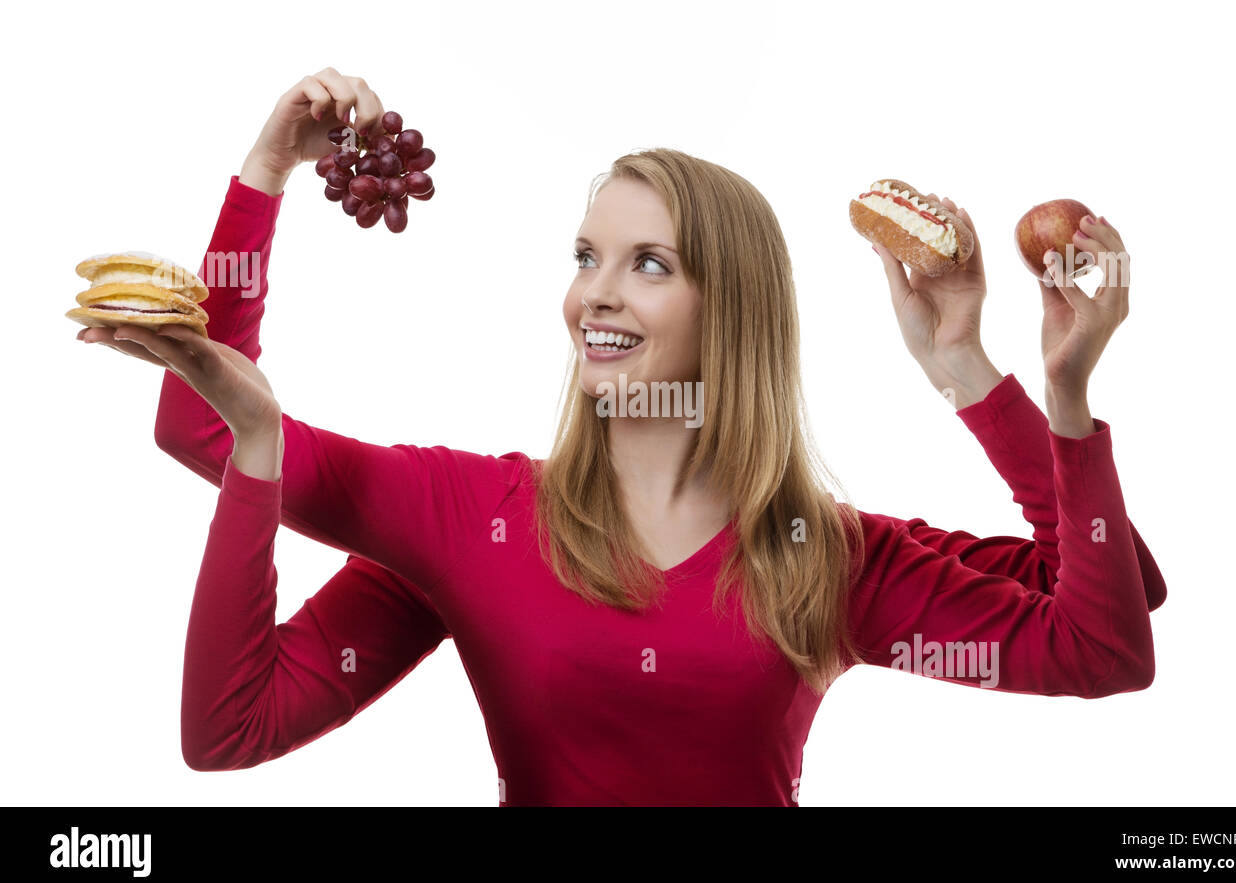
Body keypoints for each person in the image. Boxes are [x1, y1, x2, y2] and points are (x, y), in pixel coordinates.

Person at [77, 68, 1165, 806]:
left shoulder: (823, 558)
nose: (595, 294)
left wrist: (994, 382)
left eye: (649, 263)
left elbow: (1105, 627)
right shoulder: (469, 522)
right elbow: (226, 717)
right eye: (585, 256)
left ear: (728, 311)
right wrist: (263, 176)